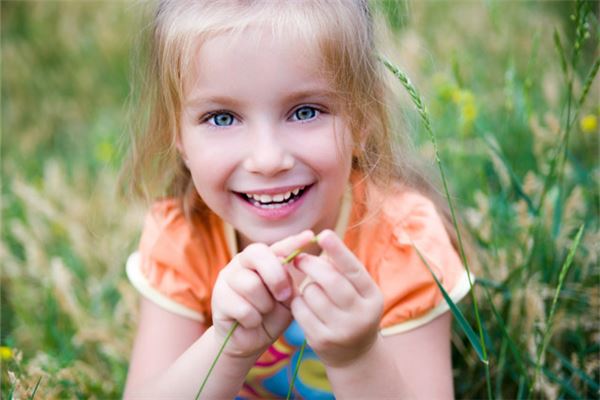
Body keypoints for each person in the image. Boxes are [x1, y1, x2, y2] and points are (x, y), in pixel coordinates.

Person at [122, 0, 472, 398]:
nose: (268, 160)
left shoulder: (401, 242)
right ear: (178, 135)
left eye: (305, 112)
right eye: (222, 117)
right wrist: (228, 345)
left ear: (363, 118)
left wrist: (356, 357)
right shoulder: (185, 238)